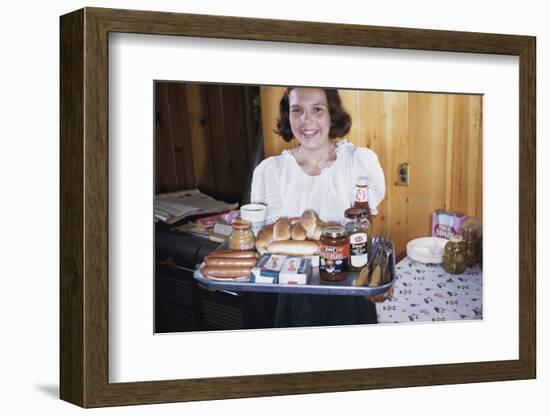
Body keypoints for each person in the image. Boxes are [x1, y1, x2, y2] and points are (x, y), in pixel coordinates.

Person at [251, 87, 391, 328]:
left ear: (331, 114)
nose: (306, 120)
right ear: (288, 116)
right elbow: (266, 245)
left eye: (317, 109)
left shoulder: (357, 162)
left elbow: (364, 234)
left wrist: (376, 275)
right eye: (297, 111)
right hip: (293, 296)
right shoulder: (271, 171)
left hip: (348, 296)